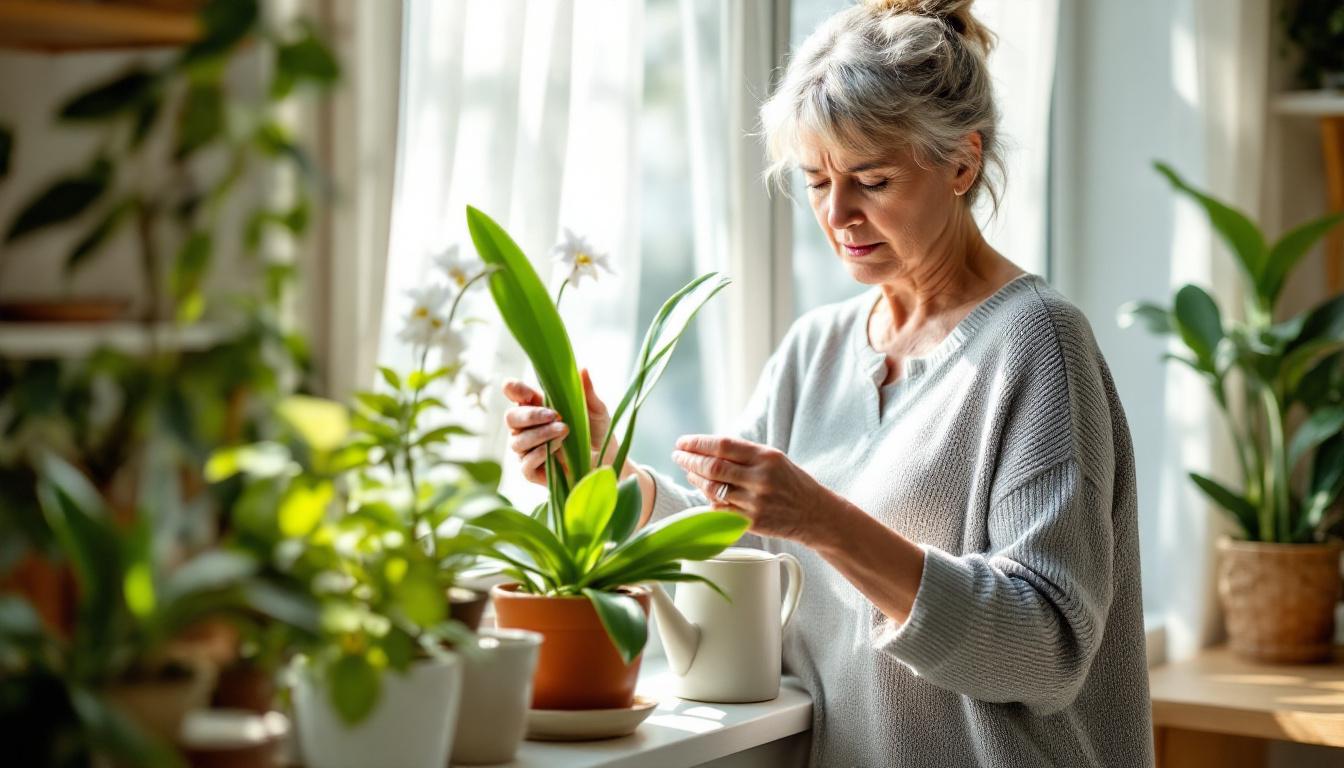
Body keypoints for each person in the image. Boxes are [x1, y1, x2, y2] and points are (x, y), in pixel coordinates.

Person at [503, 0, 1153, 764]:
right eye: (815, 182)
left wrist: (823, 521)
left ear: (962, 162)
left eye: (871, 179)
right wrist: (609, 474)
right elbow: (737, 543)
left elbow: (1045, 650)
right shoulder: (816, 348)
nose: (838, 212)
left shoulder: (1038, 345)